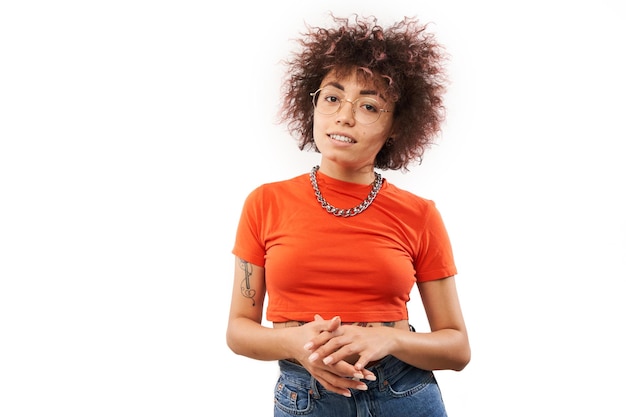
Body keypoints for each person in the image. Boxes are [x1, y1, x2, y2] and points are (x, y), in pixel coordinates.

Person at [226, 14, 470, 417]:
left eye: (369, 105)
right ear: (314, 104)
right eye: (333, 97)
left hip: (404, 392)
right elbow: (238, 330)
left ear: (396, 126)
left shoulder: (420, 215)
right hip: (306, 397)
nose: (344, 115)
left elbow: (457, 348)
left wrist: (390, 341)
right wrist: (296, 344)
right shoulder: (265, 203)